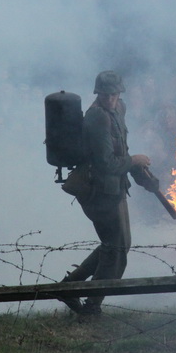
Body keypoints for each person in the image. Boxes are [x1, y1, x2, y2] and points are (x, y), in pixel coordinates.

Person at [60, 71, 150, 318]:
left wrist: (135, 169)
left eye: (114, 94)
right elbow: (105, 164)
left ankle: (70, 287)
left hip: (114, 189)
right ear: (98, 93)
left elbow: (120, 147)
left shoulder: (119, 109)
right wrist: (133, 161)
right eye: (105, 94)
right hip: (98, 191)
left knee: (115, 246)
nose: (110, 98)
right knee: (117, 250)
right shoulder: (97, 117)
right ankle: (92, 305)